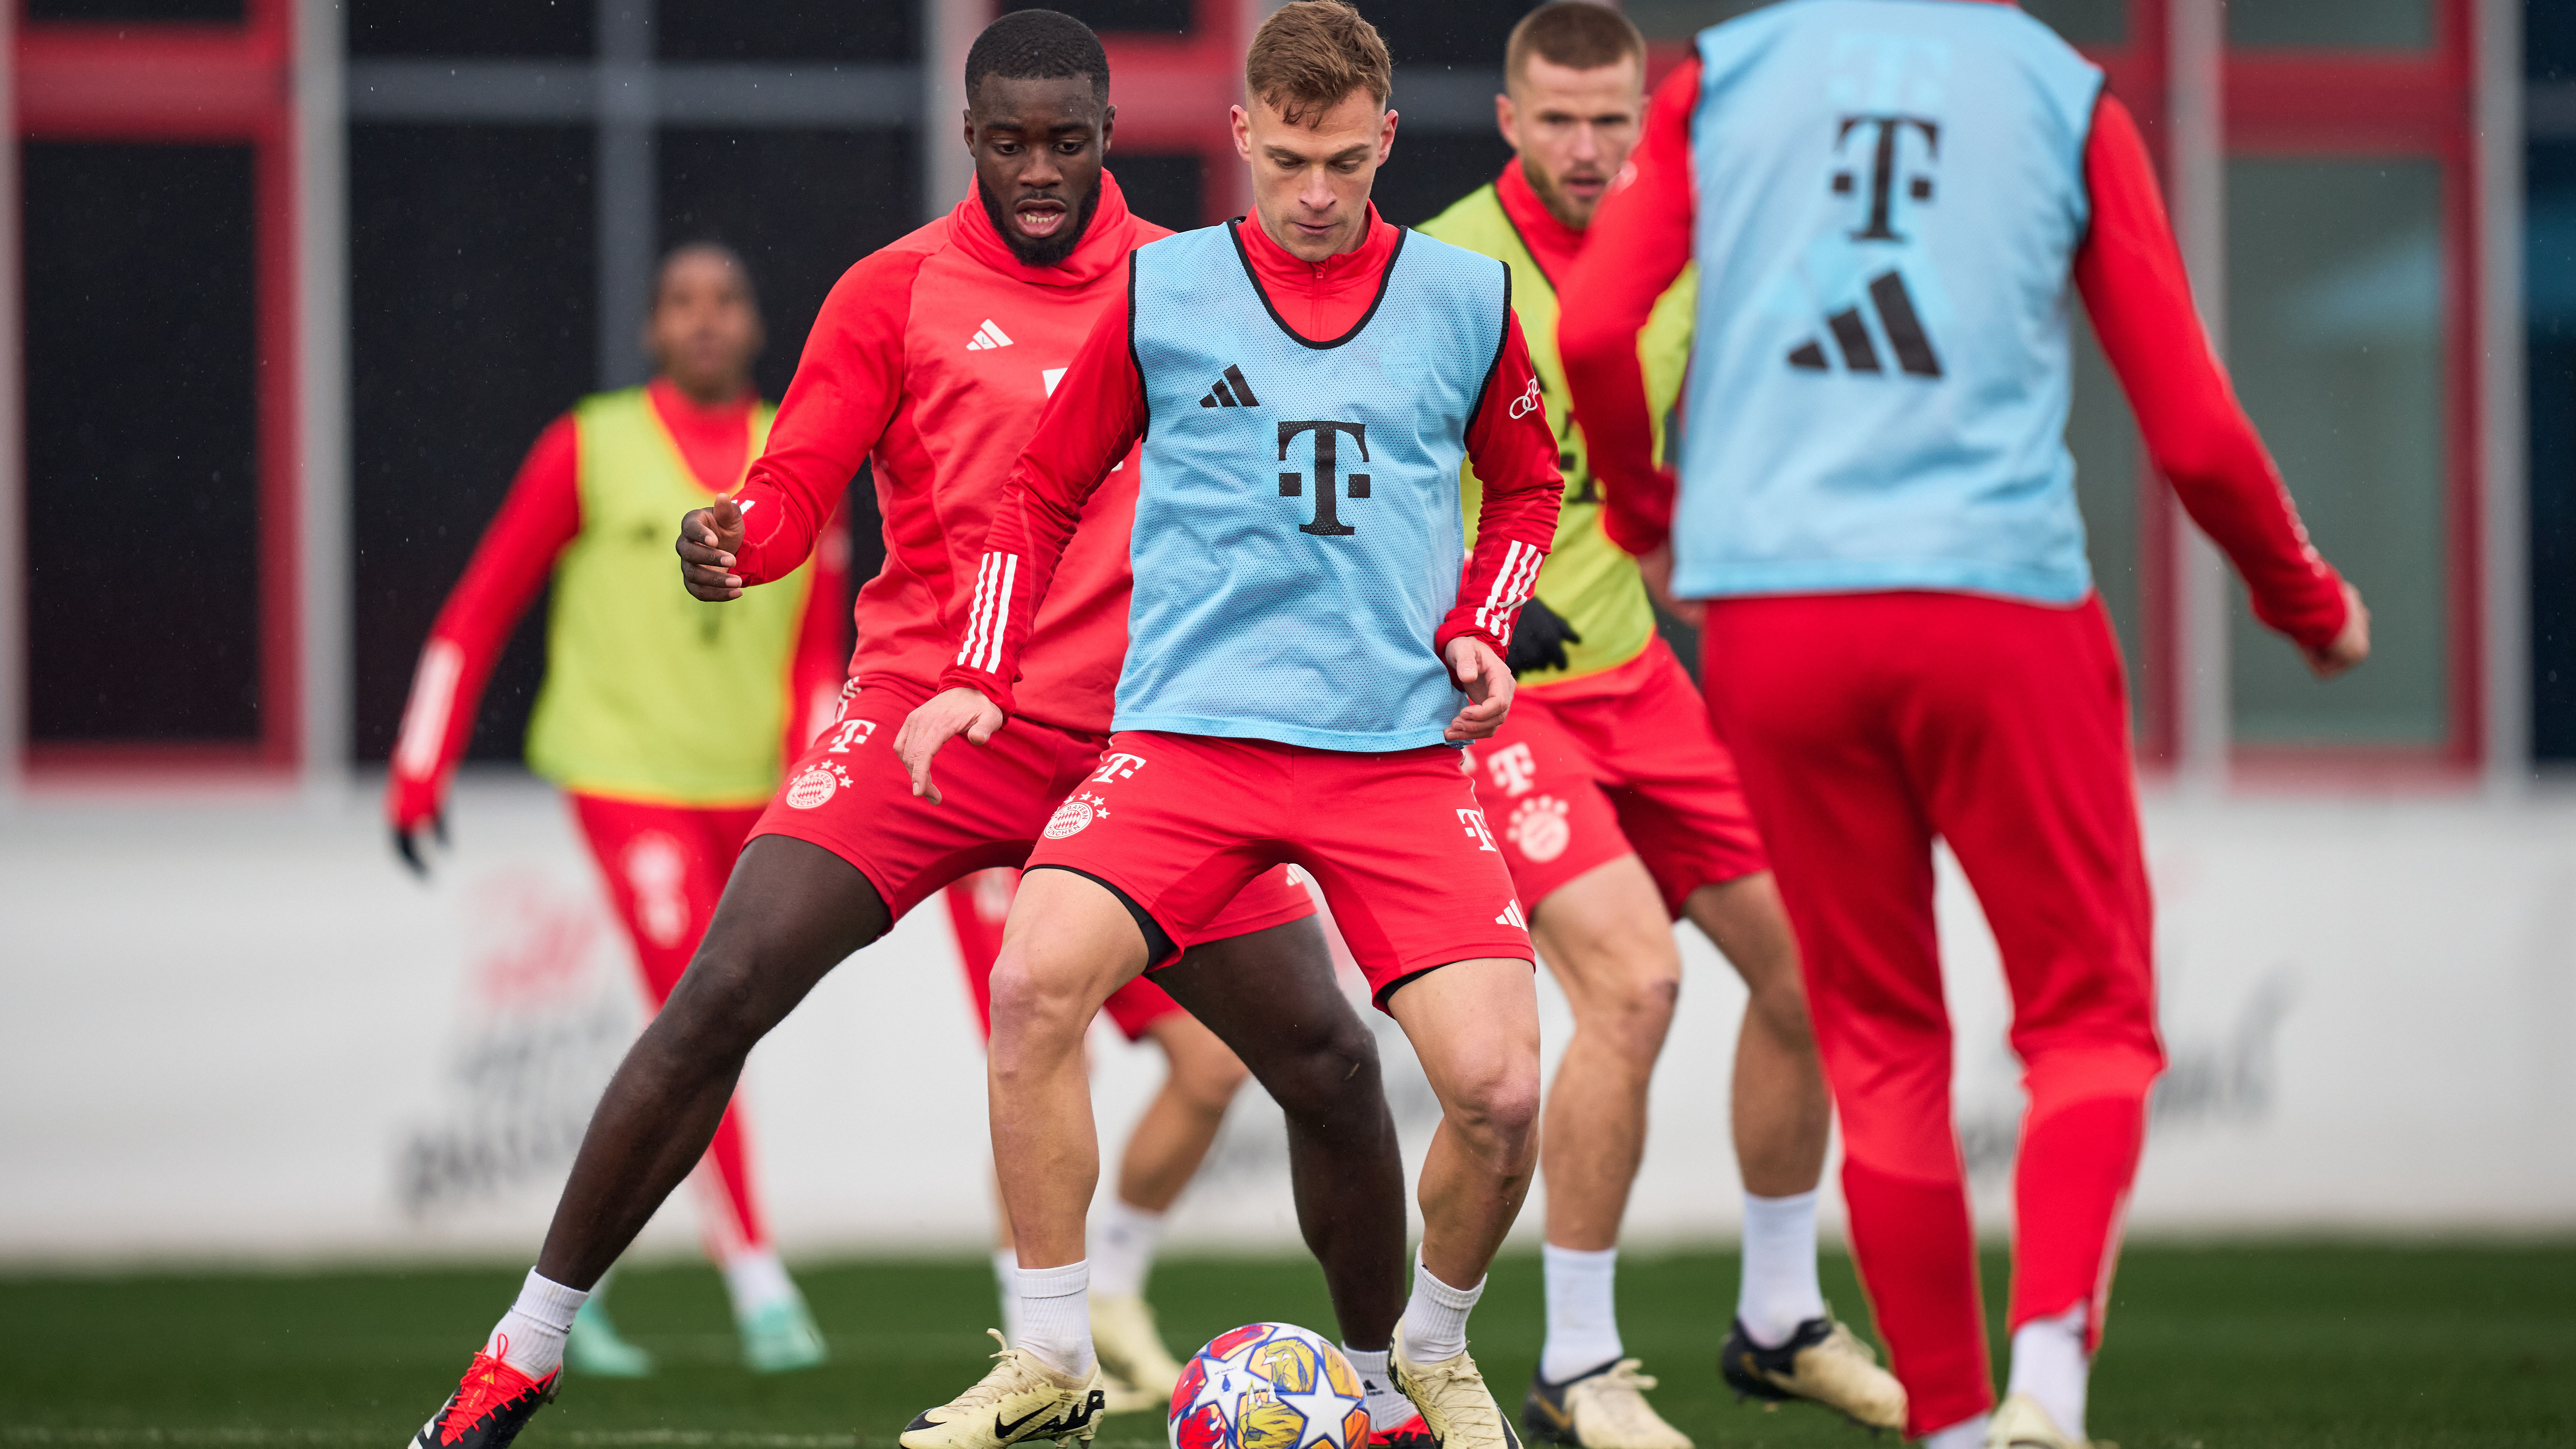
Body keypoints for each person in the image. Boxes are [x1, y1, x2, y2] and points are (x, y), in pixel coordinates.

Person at [408, 13, 1414, 1449]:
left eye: (1065, 140)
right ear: (969, 138)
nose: (1039, 169)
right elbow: (794, 483)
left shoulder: (1199, 286)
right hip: (925, 726)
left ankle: (1384, 1401)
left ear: (1107, 132)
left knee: (1329, 1060)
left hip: (1144, 747)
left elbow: (1302, 485)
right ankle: (523, 1347)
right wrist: (737, 541)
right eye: (1010, 142)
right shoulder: (893, 292)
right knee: (722, 993)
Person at [1559, 4, 2373, 1447]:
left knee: (1875, 1041)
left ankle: (1942, 1426)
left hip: (1777, 621)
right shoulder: (2062, 97)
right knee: (2090, 1024)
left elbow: (1598, 323)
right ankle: (2045, 1384)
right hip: (1992, 607)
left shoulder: (1721, 78)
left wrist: (1642, 509)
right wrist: (2301, 601)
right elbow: (2186, 428)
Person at [894, 6, 1564, 1449]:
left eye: (1341, 162)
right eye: (1286, 162)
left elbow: (1525, 487)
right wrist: (980, 670)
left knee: (1504, 1095)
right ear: (1240, 137)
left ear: (1383, 140)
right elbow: (1036, 493)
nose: (1313, 195)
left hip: (1391, 757)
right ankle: (1054, 1356)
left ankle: (1429, 1353)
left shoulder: (1464, 298)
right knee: (1032, 989)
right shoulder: (1163, 293)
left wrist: (1480, 627)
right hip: (1183, 749)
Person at [1416, 6, 1902, 1442]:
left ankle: (1771, 1318)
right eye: (1555, 119)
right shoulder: (1444, 271)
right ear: (1507, 120)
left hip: (1640, 680)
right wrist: (1469, 611)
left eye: (1607, 119)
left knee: (1811, 973)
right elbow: (1379, 486)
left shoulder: (1679, 251)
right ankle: (1573, 1364)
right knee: (1630, 989)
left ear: (1643, 121)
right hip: (1494, 702)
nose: (1584, 146)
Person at [386, 241, 844, 1378]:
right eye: (681, 303)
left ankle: (581, 1271)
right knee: (701, 1003)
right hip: (620, 774)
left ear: (753, 325)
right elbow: (482, 602)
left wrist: (821, 769)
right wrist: (421, 758)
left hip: (749, 785)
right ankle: (759, 1281)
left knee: (701, 1029)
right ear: (651, 329)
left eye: (724, 300)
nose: (703, 320)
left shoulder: (799, 454)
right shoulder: (586, 446)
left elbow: (818, 643)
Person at [945, 868, 1254, 1411]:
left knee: (1214, 1062)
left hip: (1117, 841)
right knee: (1043, 1057)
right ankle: (1037, 1349)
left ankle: (1111, 1286)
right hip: (1020, 840)